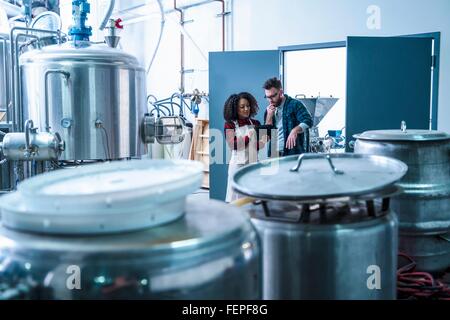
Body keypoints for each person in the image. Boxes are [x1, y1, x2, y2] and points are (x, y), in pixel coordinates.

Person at [224, 92, 266, 203]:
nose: (246, 109)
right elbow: (233, 145)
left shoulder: (256, 123)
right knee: (236, 199)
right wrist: (248, 137)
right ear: (235, 109)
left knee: (253, 197)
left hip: (253, 165)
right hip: (238, 166)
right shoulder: (230, 125)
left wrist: (262, 142)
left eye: (248, 106)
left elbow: (255, 147)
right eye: (242, 107)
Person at [263, 77, 313, 157]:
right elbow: (266, 136)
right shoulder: (269, 110)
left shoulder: (295, 104)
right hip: (274, 154)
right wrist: (269, 116)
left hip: (293, 153)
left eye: (273, 96)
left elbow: (308, 120)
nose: (270, 100)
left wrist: (295, 130)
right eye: (267, 97)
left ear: (281, 92)